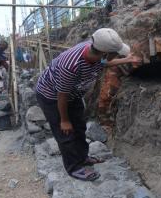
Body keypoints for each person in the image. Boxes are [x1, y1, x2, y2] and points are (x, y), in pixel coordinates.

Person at [35, 28, 141, 181]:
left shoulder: (96, 52)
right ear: (104, 53)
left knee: (79, 126)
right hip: (52, 97)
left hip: (74, 94)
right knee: (65, 133)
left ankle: (83, 157)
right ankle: (74, 167)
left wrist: (127, 59)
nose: (118, 55)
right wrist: (64, 120)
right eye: (116, 53)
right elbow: (62, 95)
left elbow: (104, 63)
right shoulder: (70, 65)